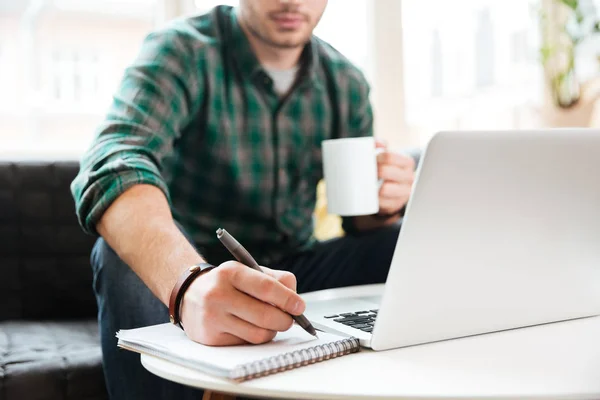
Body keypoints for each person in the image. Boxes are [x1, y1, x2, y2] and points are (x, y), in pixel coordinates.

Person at [70, 0, 417, 399]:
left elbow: (359, 224)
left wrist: (385, 201)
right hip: (196, 265)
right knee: (117, 256)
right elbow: (113, 161)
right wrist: (188, 282)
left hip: (294, 272)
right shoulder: (182, 50)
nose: (293, 2)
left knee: (403, 243)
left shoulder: (345, 81)